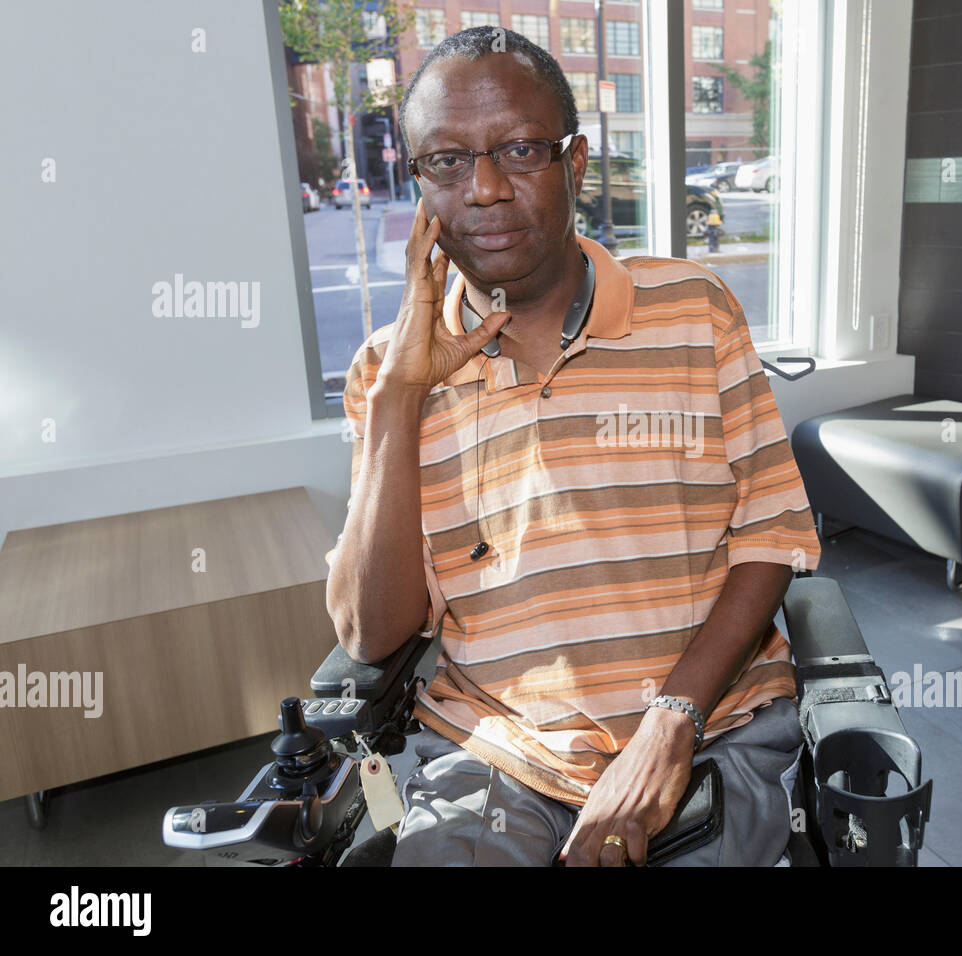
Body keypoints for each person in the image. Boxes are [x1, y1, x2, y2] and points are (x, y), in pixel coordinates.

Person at [324, 27, 821, 867]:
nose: (483, 188)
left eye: (519, 149)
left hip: (710, 726)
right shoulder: (384, 371)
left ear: (577, 164)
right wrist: (401, 399)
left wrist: (671, 725)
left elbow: (773, 536)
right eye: (446, 160)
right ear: (417, 185)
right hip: (499, 753)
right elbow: (371, 635)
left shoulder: (695, 312)